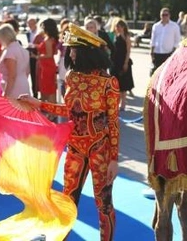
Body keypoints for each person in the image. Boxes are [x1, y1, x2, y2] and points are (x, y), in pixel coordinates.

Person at [20, 23, 120, 241]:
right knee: (67, 200)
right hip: (74, 146)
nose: (69, 53)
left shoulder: (108, 83)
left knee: (103, 203)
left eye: (74, 49)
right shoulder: (72, 77)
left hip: (100, 147)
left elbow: (113, 122)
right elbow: (69, 111)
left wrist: (114, 158)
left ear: (86, 52)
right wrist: (39, 104)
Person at [0, 23, 31, 100]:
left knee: (13, 110)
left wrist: (6, 94)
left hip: (13, 88)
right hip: (24, 84)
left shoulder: (10, 52)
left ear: (4, 38)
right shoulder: (23, 50)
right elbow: (27, 71)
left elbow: (12, 76)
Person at [149, 7, 181, 76]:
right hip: (157, 53)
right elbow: (153, 40)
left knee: (167, 74)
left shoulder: (174, 26)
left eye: (166, 15)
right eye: (163, 15)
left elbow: (177, 40)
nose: (164, 16)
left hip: (168, 53)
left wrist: (173, 52)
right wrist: (151, 52)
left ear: (169, 15)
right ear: (160, 16)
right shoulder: (156, 26)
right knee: (156, 74)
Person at [34, 19, 59, 106]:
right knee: (48, 87)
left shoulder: (48, 39)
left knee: (48, 87)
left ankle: (52, 109)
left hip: (47, 66)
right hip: (47, 65)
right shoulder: (51, 38)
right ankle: (50, 108)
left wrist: (37, 56)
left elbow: (49, 54)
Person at [111, 18, 134, 111]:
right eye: (117, 26)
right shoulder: (115, 35)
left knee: (123, 85)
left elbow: (128, 51)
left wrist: (125, 63)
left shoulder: (126, 36)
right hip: (115, 62)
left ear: (124, 27)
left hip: (123, 61)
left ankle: (123, 103)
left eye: (119, 26)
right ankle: (117, 103)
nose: (118, 28)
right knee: (116, 84)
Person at [25, 17, 42, 97]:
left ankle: (38, 92)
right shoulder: (27, 33)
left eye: (31, 23)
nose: (30, 25)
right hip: (29, 54)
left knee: (37, 74)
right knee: (32, 74)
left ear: (35, 23)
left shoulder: (39, 33)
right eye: (28, 23)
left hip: (37, 54)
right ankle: (34, 93)